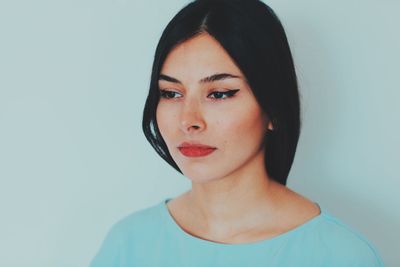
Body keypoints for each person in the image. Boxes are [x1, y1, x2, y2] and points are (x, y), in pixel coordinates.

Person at [90, 0, 385, 266]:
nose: (188, 120)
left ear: (274, 109)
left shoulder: (341, 256)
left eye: (219, 94)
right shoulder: (128, 245)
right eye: (170, 93)